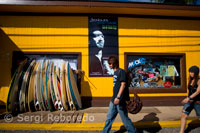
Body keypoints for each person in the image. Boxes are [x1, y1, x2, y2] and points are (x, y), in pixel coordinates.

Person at [102, 55, 137, 133]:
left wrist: (118, 97)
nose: (109, 65)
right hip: (113, 100)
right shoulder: (115, 72)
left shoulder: (121, 71)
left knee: (125, 119)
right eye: (109, 63)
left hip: (119, 100)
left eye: (110, 64)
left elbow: (123, 85)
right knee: (109, 118)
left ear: (114, 64)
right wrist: (115, 98)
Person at [180, 65, 200, 133]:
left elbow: (198, 92)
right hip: (190, 101)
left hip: (198, 102)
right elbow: (190, 91)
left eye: (192, 72)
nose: (190, 73)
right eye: (190, 72)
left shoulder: (199, 81)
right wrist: (188, 98)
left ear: (196, 73)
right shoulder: (190, 80)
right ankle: (181, 132)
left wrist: (189, 98)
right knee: (183, 115)